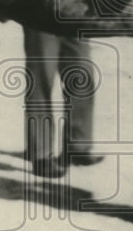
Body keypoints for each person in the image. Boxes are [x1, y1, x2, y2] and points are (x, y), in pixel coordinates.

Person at [22, 27, 103, 178]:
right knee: (41, 81)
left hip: (73, 19)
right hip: (39, 16)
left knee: (82, 78)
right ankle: (41, 155)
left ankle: (77, 147)